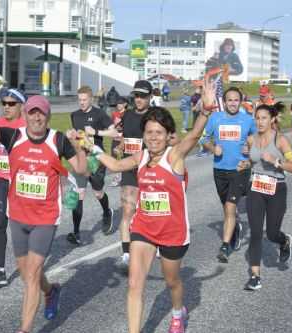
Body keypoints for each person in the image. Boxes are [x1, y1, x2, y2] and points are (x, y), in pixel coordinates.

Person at [89, 77, 213, 332]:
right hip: (144, 227)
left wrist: (206, 111)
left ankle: (178, 312)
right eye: (149, 133)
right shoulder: (142, 155)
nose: (154, 138)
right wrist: (90, 147)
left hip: (172, 232)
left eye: (159, 133)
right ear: (143, 135)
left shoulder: (174, 155)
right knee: (135, 283)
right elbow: (115, 165)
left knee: (172, 281)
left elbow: (195, 134)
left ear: (168, 136)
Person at [0, 76, 87, 332]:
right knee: (26, 274)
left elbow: (81, 169)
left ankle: (24, 329)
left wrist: (79, 146)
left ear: (47, 117)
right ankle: (51, 291)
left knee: (32, 274)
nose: (36, 118)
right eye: (32, 113)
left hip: (46, 217)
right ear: (26, 114)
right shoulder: (13, 136)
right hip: (18, 216)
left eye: (41, 114)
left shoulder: (57, 140)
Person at [244, 102, 292, 290]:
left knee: (272, 232)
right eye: (257, 118)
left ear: (272, 119)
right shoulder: (251, 139)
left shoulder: (281, 140)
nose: (260, 122)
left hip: (277, 189)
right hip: (256, 187)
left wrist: (276, 161)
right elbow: (251, 160)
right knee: (256, 232)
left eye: (264, 118)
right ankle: (255, 276)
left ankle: (283, 241)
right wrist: (245, 163)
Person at [201, 87, 256, 263]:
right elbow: (203, 138)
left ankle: (225, 246)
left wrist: (250, 148)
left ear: (240, 102)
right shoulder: (215, 118)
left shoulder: (247, 120)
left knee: (231, 207)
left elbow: (259, 141)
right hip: (220, 170)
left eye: (236, 100)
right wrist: (212, 148)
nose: (233, 103)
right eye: (229, 100)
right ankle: (235, 229)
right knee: (226, 208)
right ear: (224, 102)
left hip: (240, 169)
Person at [0, 88, 27, 288]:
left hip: (20, 183)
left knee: (24, 225)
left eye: (11, 104)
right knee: (0, 223)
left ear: (21, 106)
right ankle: (0, 270)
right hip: (1, 180)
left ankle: (31, 263)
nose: (6, 107)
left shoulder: (26, 127)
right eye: (4, 104)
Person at [67, 85, 118, 245]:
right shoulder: (74, 115)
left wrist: (95, 132)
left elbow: (114, 132)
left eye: (84, 100)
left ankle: (106, 212)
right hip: (81, 158)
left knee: (98, 193)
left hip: (96, 158)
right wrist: (72, 136)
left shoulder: (99, 114)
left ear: (90, 99)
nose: (81, 103)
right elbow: (77, 137)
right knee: (78, 194)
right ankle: (76, 233)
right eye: (79, 100)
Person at [117, 80, 153, 271]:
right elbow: (123, 135)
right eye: (136, 96)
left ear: (150, 97)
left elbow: (169, 137)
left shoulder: (155, 116)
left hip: (150, 170)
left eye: (143, 96)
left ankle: (152, 242)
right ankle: (126, 253)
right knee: (128, 210)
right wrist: (121, 144)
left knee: (147, 211)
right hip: (129, 170)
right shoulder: (128, 114)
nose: (139, 99)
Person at [109, 96, 128, 187]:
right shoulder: (114, 114)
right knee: (114, 156)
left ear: (125, 104)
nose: (118, 105)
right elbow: (111, 125)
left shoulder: (128, 113)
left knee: (123, 157)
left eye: (120, 103)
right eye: (118, 103)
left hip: (123, 139)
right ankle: (118, 176)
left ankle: (121, 177)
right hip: (115, 138)